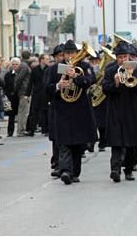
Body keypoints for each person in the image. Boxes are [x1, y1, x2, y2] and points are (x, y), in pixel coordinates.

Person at [45, 40, 97, 185]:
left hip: (80, 111)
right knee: (64, 143)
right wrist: (58, 86)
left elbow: (89, 82)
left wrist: (76, 77)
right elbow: (47, 88)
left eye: (72, 53)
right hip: (62, 110)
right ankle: (66, 171)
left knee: (78, 145)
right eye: (67, 53)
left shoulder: (84, 67)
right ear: (63, 54)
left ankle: (75, 173)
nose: (70, 56)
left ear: (77, 53)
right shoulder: (55, 68)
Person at [102, 41, 137, 182]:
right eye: (120, 57)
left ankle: (129, 169)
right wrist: (115, 84)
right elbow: (105, 88)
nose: (123, 60)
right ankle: (115, 169)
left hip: (133, 110)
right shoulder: (110, 70)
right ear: (116, 58)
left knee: (132, 143)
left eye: (125, 57)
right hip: (116, 110)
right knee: (116, 143)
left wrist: (134, 78)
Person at [47, 44, 64, 177]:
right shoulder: (52, 70)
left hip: (71, 108)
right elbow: (47, 88)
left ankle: (66, 164)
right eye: (60, 56)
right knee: (57, 138)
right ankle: (57, 163)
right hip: (57, 107)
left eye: (64, 55)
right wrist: (58, 86)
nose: (62, 58)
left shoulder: (74, 68)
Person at [24, 54, 49, 136]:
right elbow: (31, 83)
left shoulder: (48, 69)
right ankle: (31, 130)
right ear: (41, 60)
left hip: (46, 93)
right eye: (46, 59)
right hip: (37, 93)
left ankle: (45, 130)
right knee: (34, 111)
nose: (47, 60)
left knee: (45, 111)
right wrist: (27, 94)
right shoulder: (35, 70)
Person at [14, 51, 32, 137]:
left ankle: (21, 130)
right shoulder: (25, 66)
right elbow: (19, 79)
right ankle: (21, 130)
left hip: (22, 90)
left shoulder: (23, 65)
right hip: (24, 91)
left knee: (22, 111)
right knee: (23, 111)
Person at [3, 58, 21, 137]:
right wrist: (8, 94)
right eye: (13, 64)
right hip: (10, 97)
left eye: (16, 64)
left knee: (21, 114)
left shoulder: (21, 74)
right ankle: (10, 131)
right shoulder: (8, 75)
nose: (15, 66)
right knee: (11, 115)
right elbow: (5, 86)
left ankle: (21, 130)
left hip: (19, 96)